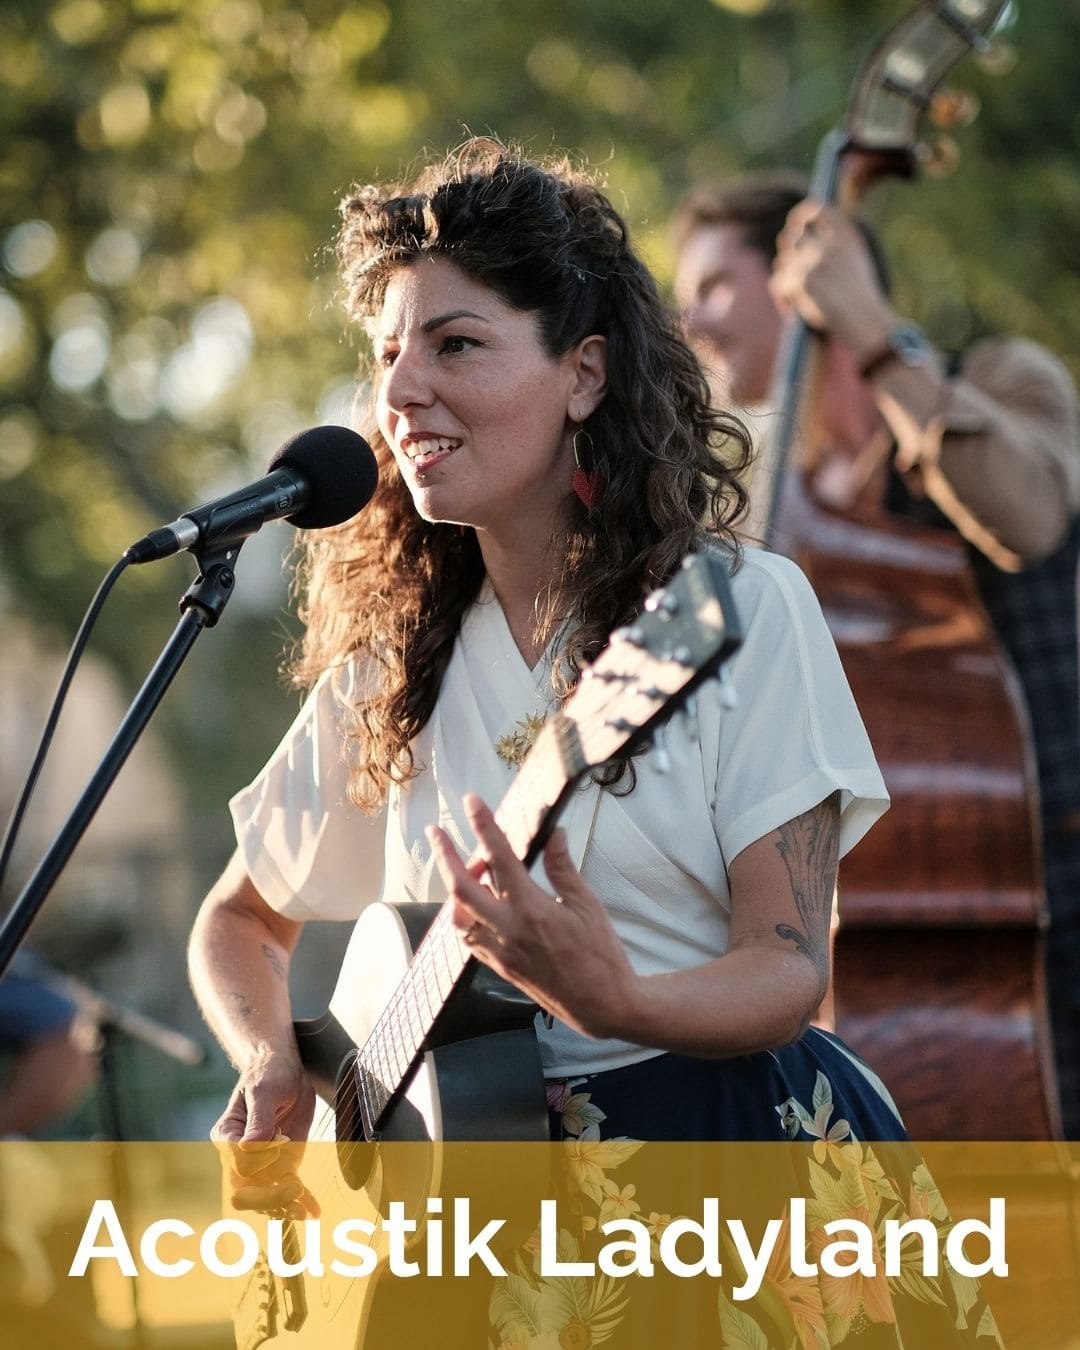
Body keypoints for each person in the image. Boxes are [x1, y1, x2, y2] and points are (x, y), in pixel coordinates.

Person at [188, 139, 1001, 1346]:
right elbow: (241, 920)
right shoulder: (389, 664)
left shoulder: (737, 609)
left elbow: (785, 967)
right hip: (480, 1239)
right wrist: (270, 1059)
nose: (400, 390)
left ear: (582, 375)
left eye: (454, 343)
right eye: (387, 353)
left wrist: (618, 995)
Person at [673, 172, 1080, 1140]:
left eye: (714, 285)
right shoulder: (787, 509)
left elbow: (1029, 518)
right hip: (921, 953)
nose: (689, 319)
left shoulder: (1000, 380)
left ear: (802, 275)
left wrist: (868, 328)